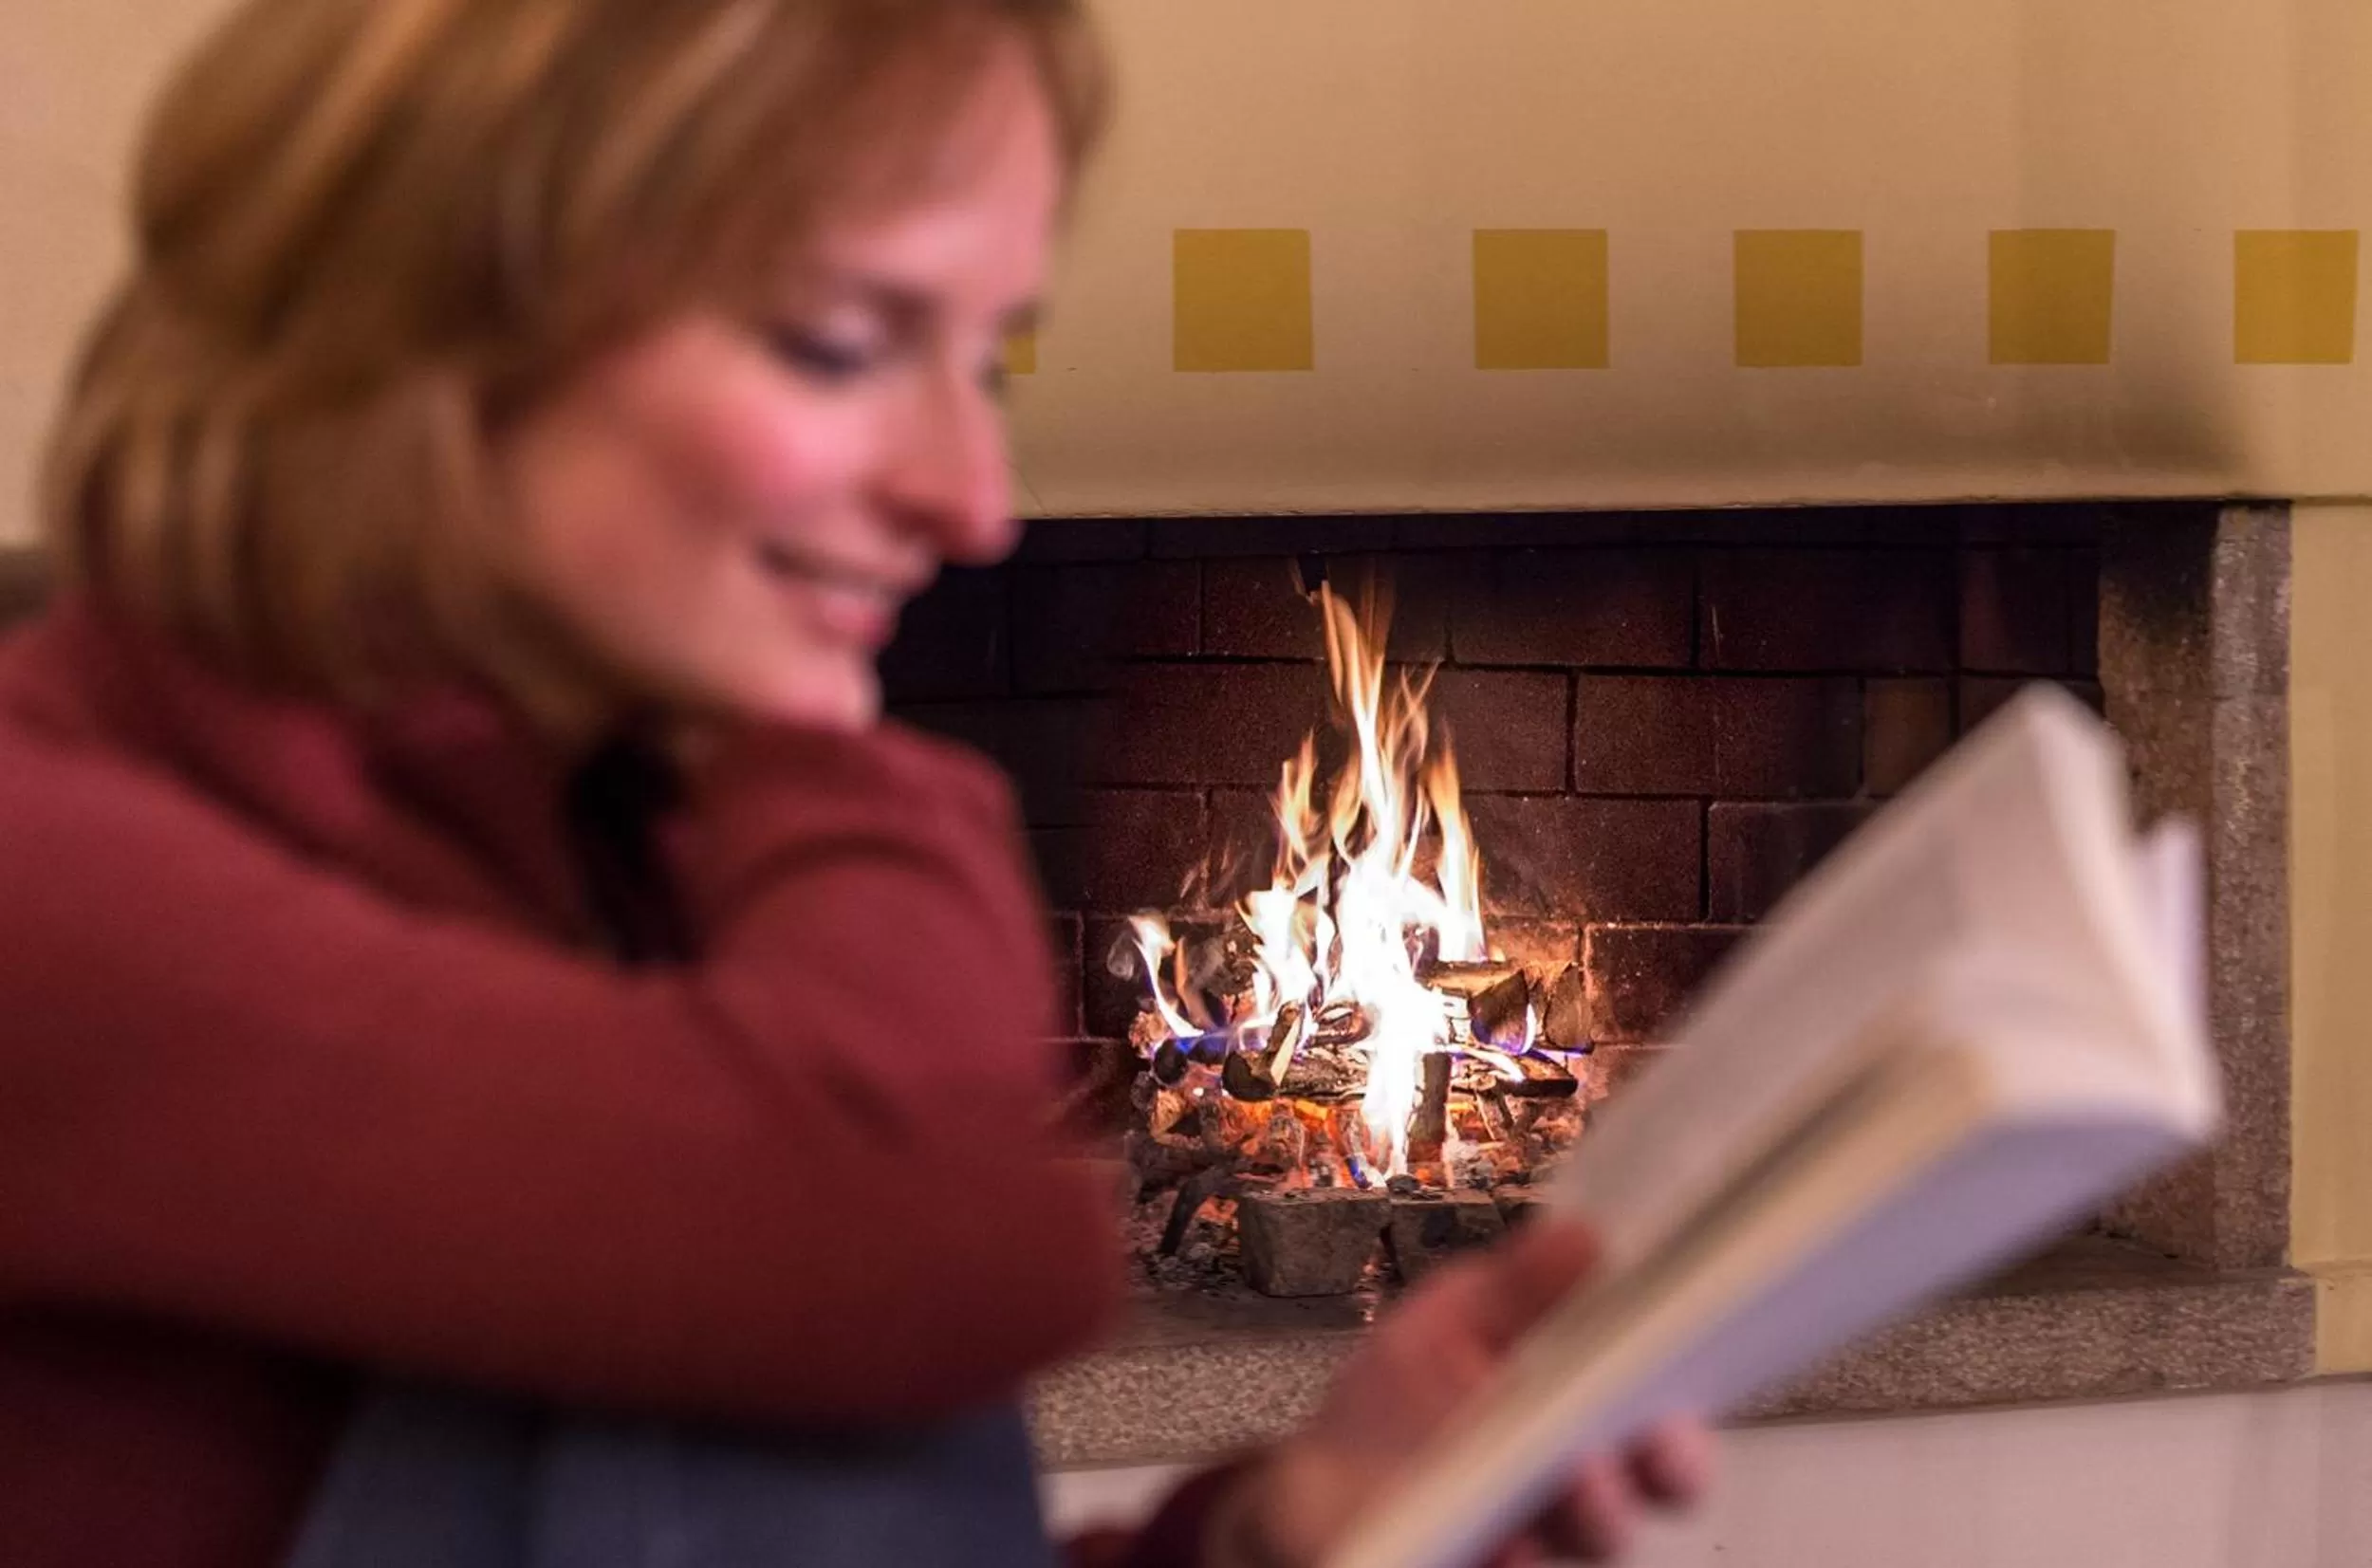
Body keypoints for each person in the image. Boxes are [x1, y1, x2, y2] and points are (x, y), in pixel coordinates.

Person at [0, 1, 1711, 1564]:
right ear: (414, 344)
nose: (974, 503)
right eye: (836, 343)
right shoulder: (55, 876)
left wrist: (1286, 1530)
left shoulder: (609, 835)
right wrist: (843, 759)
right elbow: (922, 1225)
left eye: (979, 361)